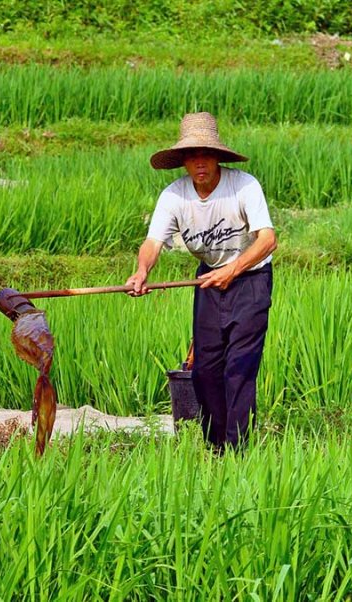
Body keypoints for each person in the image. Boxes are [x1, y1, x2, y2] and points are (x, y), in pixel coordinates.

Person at [126, 112, 277, 451]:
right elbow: (152, 243)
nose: (199, 163)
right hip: (209, 281)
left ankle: (239, 452)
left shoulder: (244, 186)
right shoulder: (174, 196)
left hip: (250, 280)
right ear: (183, 161)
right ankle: (216, 449)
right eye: (192, 156)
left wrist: (234, 269)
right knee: (205, 371)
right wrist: (142, 272)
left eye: (205, 154)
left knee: (239, 368)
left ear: (217, 156)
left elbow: (267, 240)